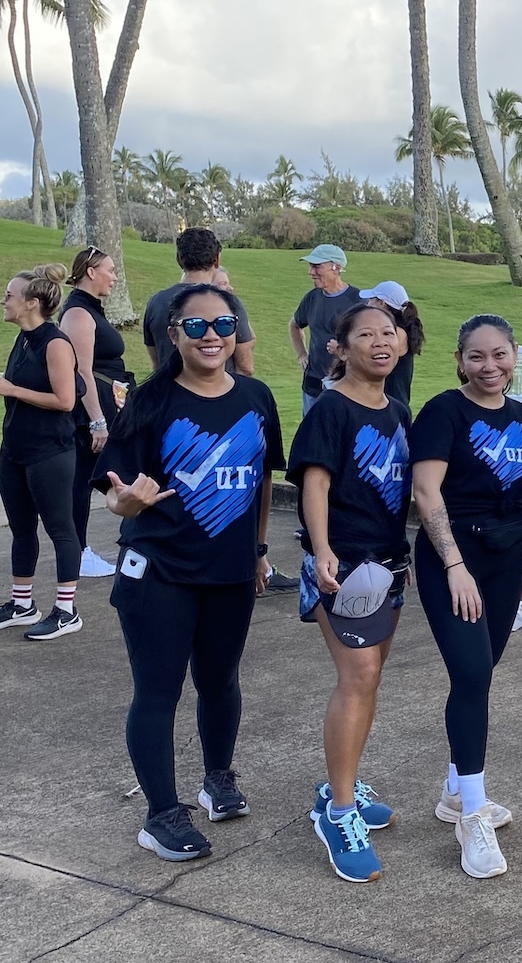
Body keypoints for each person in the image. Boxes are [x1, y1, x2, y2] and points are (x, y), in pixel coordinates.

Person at [92, 283, 283, 862]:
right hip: (160, 571)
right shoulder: (150, 401)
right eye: (195, 326)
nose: (211, 336)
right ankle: (161, 815)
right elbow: (114, 489)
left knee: (221, 680)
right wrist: (124, 505)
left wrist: (258, 550)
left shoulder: (256, 397)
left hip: (230, 571)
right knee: (158, 690)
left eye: (223, 325)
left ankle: (217, 779)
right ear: (173, 334)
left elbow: (262, 481)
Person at [412, 314, 522, 879]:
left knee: (481, 672)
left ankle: (453, 791)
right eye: (477, 356)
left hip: (505, 559)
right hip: (453, 559)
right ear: (459, 360)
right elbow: (425, 491)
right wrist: (454, 566)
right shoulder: (444, 411)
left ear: (514, 355)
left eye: (499, 354)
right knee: (470, 675)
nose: (489, 366)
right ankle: (472, 814)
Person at [288, 303, 412, 883]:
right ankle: (338, 813)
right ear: (339, 347)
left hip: (388, 566)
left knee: (372, 677)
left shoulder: (398, 411)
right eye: (366, 334)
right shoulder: (330, 409)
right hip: (342, 566)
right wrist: (321, 550)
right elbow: (314, 483)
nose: (380, 342)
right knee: (357, 677)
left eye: (389, 333)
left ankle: (345, 784)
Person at [0, 265, 84, 640]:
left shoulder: (55, 343)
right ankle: (22, 604)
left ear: (32, 303)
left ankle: (67, 611)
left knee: (60, 530)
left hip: (50, 451)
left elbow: (65, 401)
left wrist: (11, 390)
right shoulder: (23, 338)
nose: (4, 301)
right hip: (15, 448)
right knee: (21, 529)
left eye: (9, 295)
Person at [61, 246, 135, 578]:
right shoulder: (78, 313)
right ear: (91, 272)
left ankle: (83, 550)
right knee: (83, 480)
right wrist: (97, 421)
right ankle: (77, 553)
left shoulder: (90, 309)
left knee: (101, 476)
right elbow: (82, 371)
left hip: (107, 408)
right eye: (110, 270)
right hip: (92, 415)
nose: (114, 277)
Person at [144, 228, 257, 377]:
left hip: (168, 389)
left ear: (179, 260)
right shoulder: (226, 303)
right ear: (216, 260)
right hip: (217, 389)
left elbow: (157, 362)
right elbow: (245, 367)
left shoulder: (156, 303)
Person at [289, 244, 363, 416]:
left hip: (346, 384)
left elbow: (368, 341)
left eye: (316, 266)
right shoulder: (312, 298)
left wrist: (344, 348)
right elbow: (294, 325)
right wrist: (301, 354)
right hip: (313, 385)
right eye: (310, 266)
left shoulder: (357, 301)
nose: (310, 272)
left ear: (336, 267)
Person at [361, 281, 424, 410]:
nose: (368, 304)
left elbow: (367, 357)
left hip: (390, 405)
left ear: (381, 303)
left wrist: (343, 349)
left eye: (371, 300)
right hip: (387, 402)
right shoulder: (398, 329)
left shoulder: (396, 333)